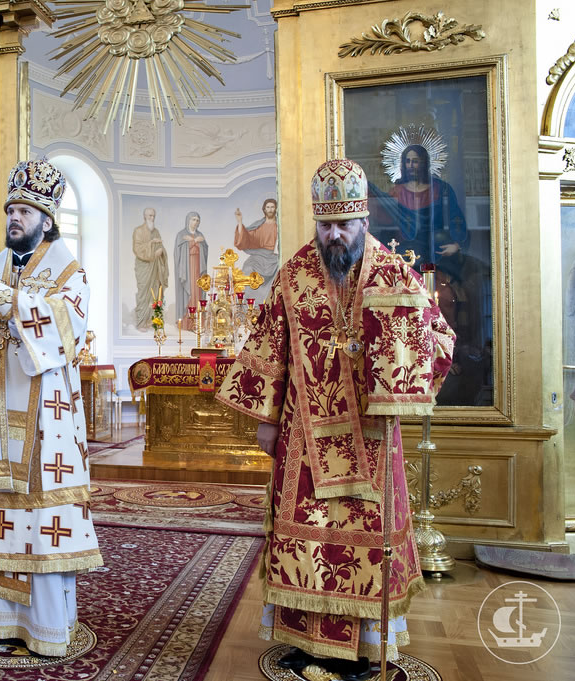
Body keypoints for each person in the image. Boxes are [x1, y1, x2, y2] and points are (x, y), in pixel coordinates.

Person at [216, 159, 455, 681]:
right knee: (307, 539)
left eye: (344, 224)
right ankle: (306, 641)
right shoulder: (295, 272)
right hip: (303, 436)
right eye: (325, 225)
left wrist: (400, 379)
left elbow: (438, 338)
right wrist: (266, 419)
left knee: (358, 542)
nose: (334, 235)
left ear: (363, 219)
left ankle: (365, 646)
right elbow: (270, 345)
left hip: (370, 438)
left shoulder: (392, 272)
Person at [0, 159, 103, 656]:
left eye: (25, 211)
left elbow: (60, 332)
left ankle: (41, 625)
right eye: (11, 209)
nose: (14, 217)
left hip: (44, 422)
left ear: (46, 220)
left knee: (36, 518)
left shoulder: (70, 273)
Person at [368, 143, 468, 267]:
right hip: (406, 255)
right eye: (407, 161)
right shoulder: (397, 192)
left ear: (424, 163)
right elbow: (386, 219)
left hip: (437, 251)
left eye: (415, 161)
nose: (410, 165)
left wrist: (456, 245)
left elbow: (456, 219)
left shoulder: (441, 189)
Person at [233, 199, 280, 300]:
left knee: (279, 271)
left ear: (276, 209)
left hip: (274, 258)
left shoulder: (280, 226)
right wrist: (240, 222)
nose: (270, 209)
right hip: (258, 257)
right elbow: (246, 237)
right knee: (248, 268)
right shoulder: (259, 225)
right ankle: (247, 303)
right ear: (264, 209)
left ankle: (270, 303)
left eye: (272, 207)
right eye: (268, 207)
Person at [132, 207, 169, 331]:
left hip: (155, 268)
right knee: (144, 293)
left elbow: (161, 247)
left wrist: (161, 251)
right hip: (144, 267)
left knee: (155, 292)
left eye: (153, 216)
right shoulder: (138, 231)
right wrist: (152, 247)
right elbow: (137, 249)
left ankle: (151, 320)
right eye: (150, 216)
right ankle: (141, 322)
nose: (152, 218)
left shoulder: (156, 231)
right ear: (145, 216)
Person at [174, 211, 209, 331]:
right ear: (188, 220)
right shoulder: (181, 235)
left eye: (197, 220)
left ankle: (198, 322)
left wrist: (200, 243)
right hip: (187, 269)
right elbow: (178, 253)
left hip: (198, 267)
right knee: (189, 291)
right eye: (193, 219)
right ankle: (187, 322)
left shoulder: (200, 235)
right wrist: (193, 242)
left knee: (197, 291)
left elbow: (205, 250)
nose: (195, 222)